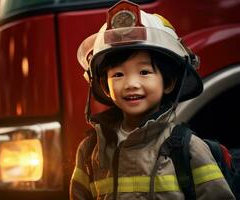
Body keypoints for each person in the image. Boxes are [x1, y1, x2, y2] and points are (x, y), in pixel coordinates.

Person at [70, 0, 235, 199]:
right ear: (104, 86)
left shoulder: (188, 148)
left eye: (144, 72)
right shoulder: (90, 151)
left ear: (169, 82)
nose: (131, 83)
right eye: (118, 75)